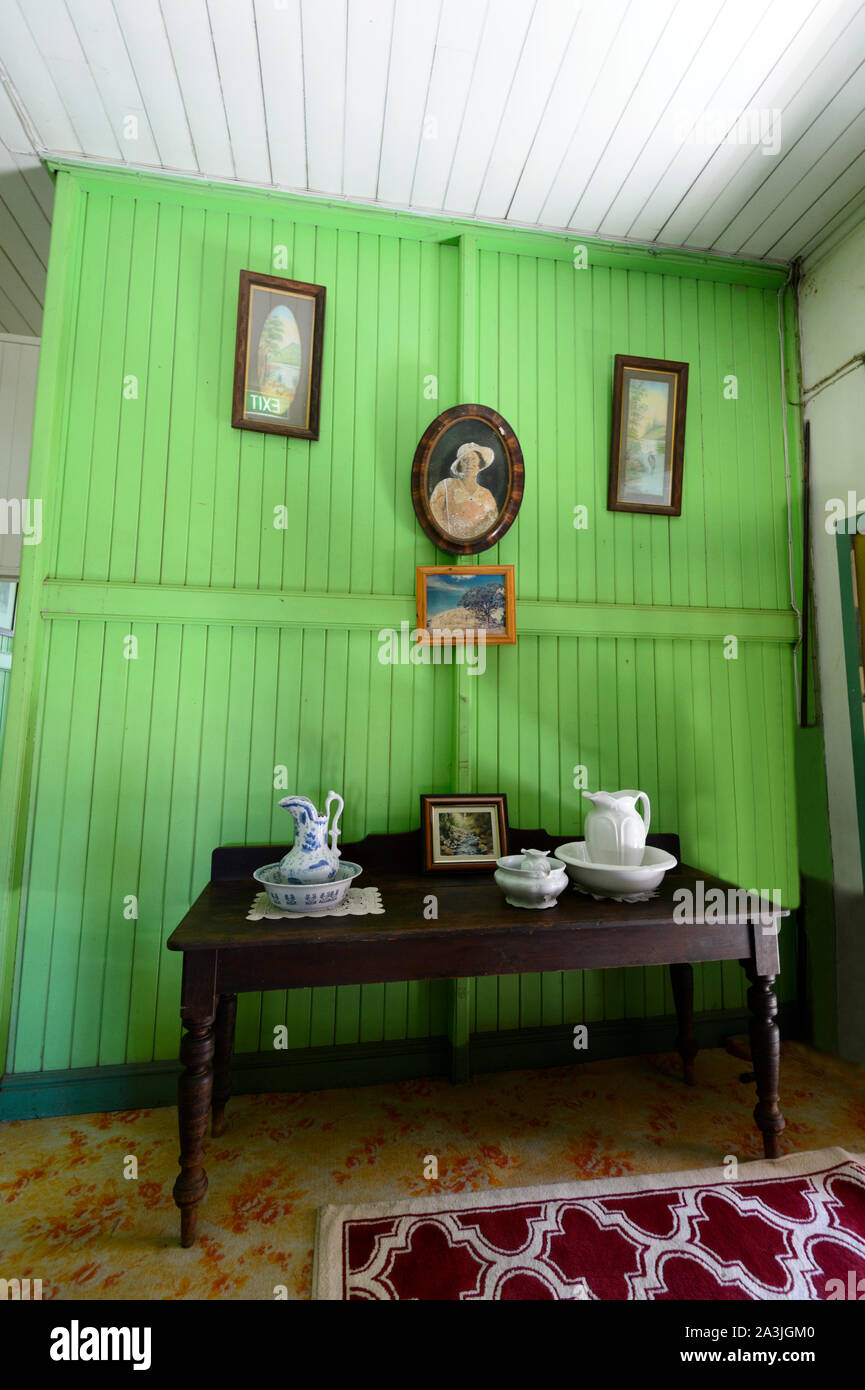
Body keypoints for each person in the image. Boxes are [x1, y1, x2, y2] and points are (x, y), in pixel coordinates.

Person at [429, 442, 499, 540]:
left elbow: (491, 526)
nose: (469, 464)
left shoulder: (487, 494)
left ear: (480, 464)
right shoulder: (445, 486)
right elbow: (435, 518)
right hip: (449, 541)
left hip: (477, 543)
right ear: (459, 465)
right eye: (465, 460)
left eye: (474, 459)